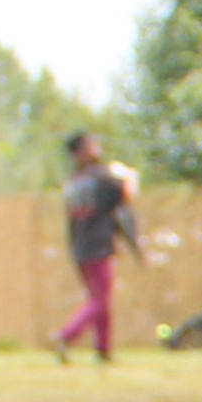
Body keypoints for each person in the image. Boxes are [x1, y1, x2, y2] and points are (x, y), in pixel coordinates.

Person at [54, 129, 143, 363]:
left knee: (100, 299)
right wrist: (131, 176)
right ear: (83, 151)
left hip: (79, 247)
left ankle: (103, 350)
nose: (97, 146)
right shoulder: (100, 178)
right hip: (98, 246)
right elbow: (125, 196)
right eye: (92, 144)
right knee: (100, 300)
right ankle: (65, 336)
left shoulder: (73, 182)